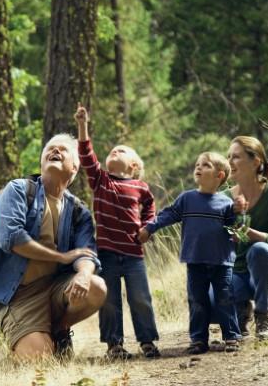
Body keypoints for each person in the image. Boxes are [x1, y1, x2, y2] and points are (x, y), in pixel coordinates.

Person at [0, 134, 107, 360]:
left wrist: (84, 273)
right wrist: (61, 257)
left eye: (63, 149)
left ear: (75, 166)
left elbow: (86, 252)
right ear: (42, 162)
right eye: (50, 149)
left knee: (96, 286)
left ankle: (58, 329)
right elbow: (11, 237)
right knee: (40, 360)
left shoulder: (77, 210)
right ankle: (28, 335)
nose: (55, 151)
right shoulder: (17, 190)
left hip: (55, 288)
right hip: (18, 295)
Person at [75, 103, 161, 360]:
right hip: (108, 253)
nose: (114, 151)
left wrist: (148, 228)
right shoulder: (102, 181)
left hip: (134, 254)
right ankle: (114, 345)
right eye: (112, 150)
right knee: (110, 301)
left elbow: (150, 207)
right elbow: (87, 156)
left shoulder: (140, 186)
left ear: (134, 165)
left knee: (140, 299)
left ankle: (147, 341)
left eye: (121, 151)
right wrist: (83, 126)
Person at [139, 152, 241, 354]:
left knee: (225, 298)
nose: (199, 167)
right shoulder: (187, 198)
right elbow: (167, 214)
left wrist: (240, 213)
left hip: (222, 261)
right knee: (197, 300)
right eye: (197, 164)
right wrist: (149, 228)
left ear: (219, 175)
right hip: (195, 260)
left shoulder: (227, 203)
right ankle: (198, 340)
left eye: (205, 165)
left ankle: (231, 336)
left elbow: (237, 229)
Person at [222, 136, 268, 340]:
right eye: (228, 157)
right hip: (238, 274)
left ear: (256, 162)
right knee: (209, 299)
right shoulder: (224, 198)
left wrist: (246, 233)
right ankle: (242, 310)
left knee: (260, 250)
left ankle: (263, 315)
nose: (229, 162)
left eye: (236, 157)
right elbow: (223, 240)